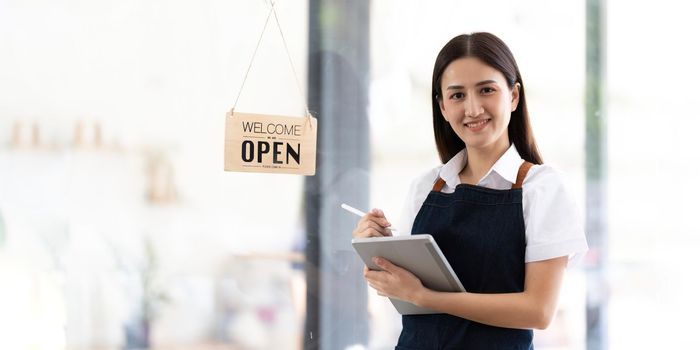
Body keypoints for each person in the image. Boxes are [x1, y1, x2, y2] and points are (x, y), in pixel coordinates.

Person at [352, 32, 589, 349]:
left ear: (514, 96)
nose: (473, 108)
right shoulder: (425, 187)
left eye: (486, 90)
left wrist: (425, 296)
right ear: (443, 107)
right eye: (457, 95)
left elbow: (538, 310)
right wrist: (375, 252)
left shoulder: (542, 188)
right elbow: (399, 292)